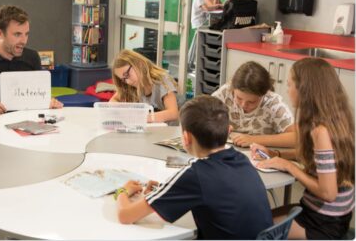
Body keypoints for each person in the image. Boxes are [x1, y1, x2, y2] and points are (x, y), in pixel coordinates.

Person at [115, 95, 273, 239]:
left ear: (185, 138)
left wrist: (123, 191)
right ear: (228, 130)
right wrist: (164, 193)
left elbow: (125, 216)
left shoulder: (195, 174)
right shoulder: (241, 159)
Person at [251, 58, 354, 240]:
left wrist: (290, 166)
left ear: (305, 90)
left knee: (252, 228)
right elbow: (323, 162)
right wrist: (277, 154)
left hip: (322, 224)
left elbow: (329, 193)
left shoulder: (321, 132)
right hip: (332, 215)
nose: (288, 90)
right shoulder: (337, 119)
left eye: (290, 85)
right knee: (259, 216)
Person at [212, 61, 296, 147]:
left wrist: (254, 140)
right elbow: (201, 116)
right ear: (233, 88)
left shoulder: (273, 103)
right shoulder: (225, 92)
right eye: (239, 98)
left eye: (251, 102)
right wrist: (216, 127)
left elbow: (297, 138)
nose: (243, 105)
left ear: (264, 94)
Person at [110, 49, 179, 123]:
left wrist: (139, 117)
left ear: (137, 63)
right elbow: (112, 101)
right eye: (124, 79)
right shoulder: (131, 86)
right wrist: (125, 112)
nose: (128, 82)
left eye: (127, 74)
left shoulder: (162, 79)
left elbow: (173, 113)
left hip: (170, 131)